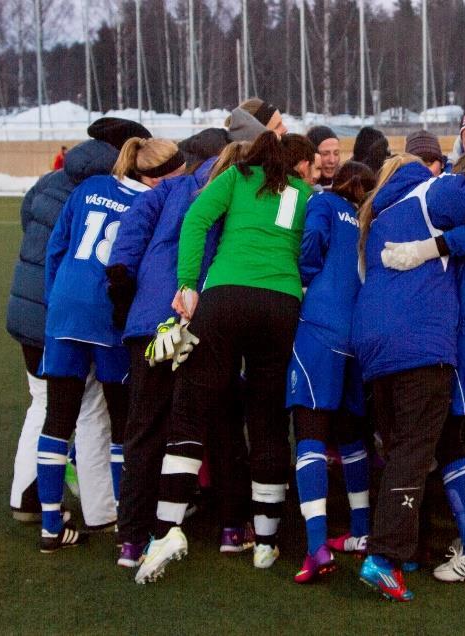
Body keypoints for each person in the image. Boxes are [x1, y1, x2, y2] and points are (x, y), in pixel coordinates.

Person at [135, 132, 317, 584]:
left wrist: (186, 283)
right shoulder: (301, 193)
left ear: (250, 155)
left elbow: (196, 220)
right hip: (281, 304)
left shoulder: (235, 177)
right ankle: (268, 541)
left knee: (190, 411)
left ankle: (166, 529)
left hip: (226, 296)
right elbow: (307, 245)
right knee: (269, 419)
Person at [351, 153, 465, 600]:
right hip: (420, 341)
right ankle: (385, 557)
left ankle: (405, 549)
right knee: (415, 450)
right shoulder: (430, 190)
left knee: (398, 449)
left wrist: (441, 244)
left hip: (372, 340)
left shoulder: (375, 216)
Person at [106, 128, 258, 568]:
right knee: (222, 423)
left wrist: (128, 302)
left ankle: (132, 539)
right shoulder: (240, 189)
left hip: (152, 323)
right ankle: (233, 527)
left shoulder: (168, 189)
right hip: (204, 321)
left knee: (144, 431)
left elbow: (125, 248)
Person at [37, 136, 185, 553]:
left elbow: (57, 248)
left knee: (57, 419)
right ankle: (128, 518)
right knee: (126, 424)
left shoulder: (88, 188)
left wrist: (57, 303)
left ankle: (51, 525)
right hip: (110, 316)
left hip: (65, 310)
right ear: (156, 176)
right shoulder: (157, 205)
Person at [6, 117, 151, 528]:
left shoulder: (51, 180)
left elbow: (36, 229)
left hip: (36, 309)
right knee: (92, 414)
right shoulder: (110, 188)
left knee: (45, 406)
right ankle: (104, 511)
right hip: (82, 310)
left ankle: (31, 501)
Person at [287, 161, 377, 584]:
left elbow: (311, 245)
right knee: (351, 433)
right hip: (358, 329)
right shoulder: (368, 216)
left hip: (321, 324)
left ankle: (316, 544)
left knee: (310, 429)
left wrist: (304, 281)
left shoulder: (322, 202)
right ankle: (360, 532)